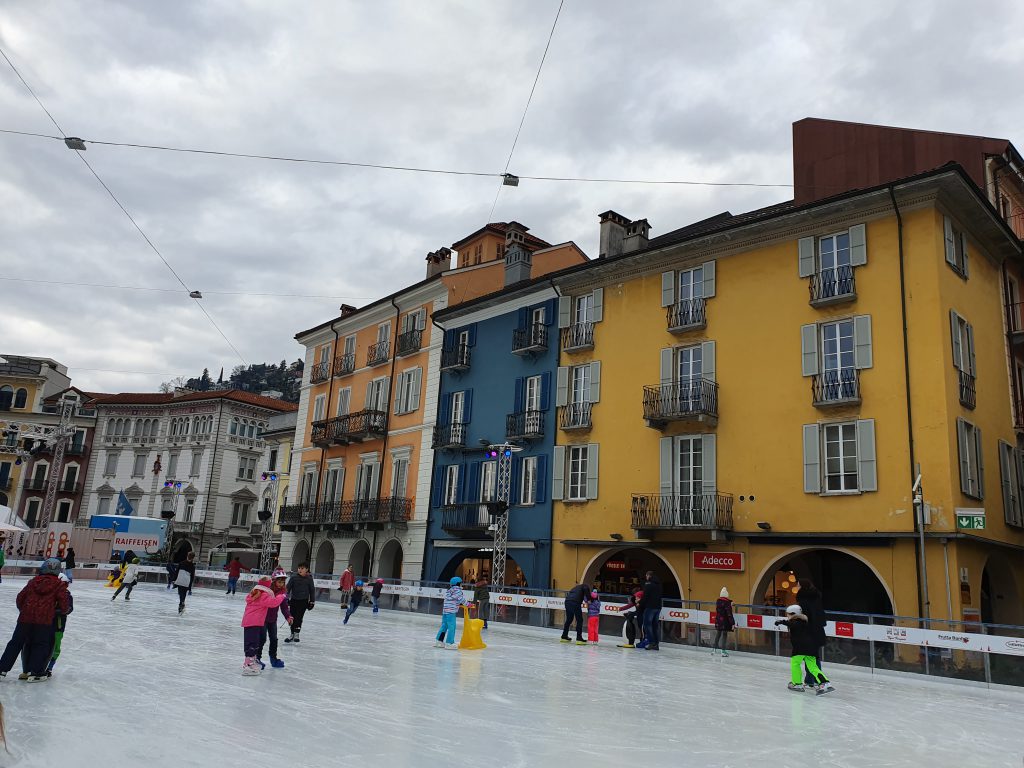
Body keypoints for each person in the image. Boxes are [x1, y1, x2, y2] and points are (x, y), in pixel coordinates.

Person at [0, 558, 71, 681]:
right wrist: (54, 611)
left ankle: (2, 669)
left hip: (25, 619)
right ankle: (36, 672)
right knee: (40, 644)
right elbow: (64, 606)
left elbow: (20, 599)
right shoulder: (59, 585)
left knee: (15, 643)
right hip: (44, 620)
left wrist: (25, 610)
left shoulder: (33, 581)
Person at [775, 603, 834, 694]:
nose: (787, 616)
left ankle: (797, 683)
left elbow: (793, 624)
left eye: (788, 614)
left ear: (793, 614)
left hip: (800, 648)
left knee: (795, 664)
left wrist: (781, 622)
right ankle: (825, 683)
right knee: (813, 667)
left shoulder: (796, 622)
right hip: (812, 649)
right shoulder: (806, 622)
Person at [241, 577, 287, 676]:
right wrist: (282, 596)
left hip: (250, 621)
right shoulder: (263, 594)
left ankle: (250, 662)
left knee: (252, 642)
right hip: (254, 622)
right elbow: (273, 603)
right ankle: (248, 665)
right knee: (252, 643)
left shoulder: (255, 592)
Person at [258, 570, 293, 669]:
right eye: (279, 582)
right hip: (262, 618)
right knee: (262, 639)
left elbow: (284, 607)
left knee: (274, 639)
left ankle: (273, 658)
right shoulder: (267, 591)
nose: (281, 584)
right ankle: (257, 658)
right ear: (273, 581)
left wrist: (288, 616)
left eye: (283, 582)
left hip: (272, 620)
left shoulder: (282, 593)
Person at [796, 578, 827, 688]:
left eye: (798, 586)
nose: (797, 588)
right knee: (811, 657)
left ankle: (821, 681)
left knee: (812, 658)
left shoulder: (804, 601)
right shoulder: (815, 599)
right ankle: (810, 680)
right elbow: (821, 618)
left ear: (803, 587)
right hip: (817, 632)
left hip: (809, 633)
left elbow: (804, 619)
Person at [284, 563, 315, 643]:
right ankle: (292, 634)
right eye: (299, 568)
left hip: (303, 601)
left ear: (307, 569)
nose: (300, 570)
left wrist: (312, 601)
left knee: (299, 618)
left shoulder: (309, 579)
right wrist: (286, 599)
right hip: (294, 600)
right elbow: (287, 589)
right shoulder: (293, 578)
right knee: (292, 617)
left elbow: (312, 591)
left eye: (302, 568)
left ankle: (296, 634)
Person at [434, 576, 468, 649]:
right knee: (452, 627)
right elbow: (461, 599)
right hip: (451, 611)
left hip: (445, 611)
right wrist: (468, 604)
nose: (461, 585)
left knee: (444, 626)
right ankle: (449, 643)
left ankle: (439, 641)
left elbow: (453, 599)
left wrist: (459, 603)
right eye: (461, 583)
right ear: (458, 583)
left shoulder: (449, 590)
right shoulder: (458, 590)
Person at [637, 571, 663, 650]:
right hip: (658, 607)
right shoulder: (659, 585)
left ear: (649, 576)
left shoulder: (648, 585)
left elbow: (645, 596)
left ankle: (651, 642)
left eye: (646, 576)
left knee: (647, 625)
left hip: (650, 607)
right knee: (655, 626)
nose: (646, 577)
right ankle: (656, 644)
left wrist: (640, 603)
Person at [712, 587, 735, 657]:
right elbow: (729, 614)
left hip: (718, 621)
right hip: (725, 622)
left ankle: (714, 649)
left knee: (718, 634)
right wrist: (733, 623)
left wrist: (730, 602)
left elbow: (723, 603)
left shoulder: (718, 601)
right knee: (724, 635)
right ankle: (723, 651)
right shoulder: (727, 603)